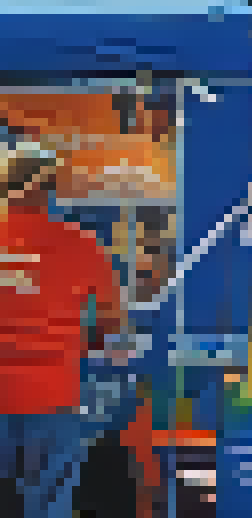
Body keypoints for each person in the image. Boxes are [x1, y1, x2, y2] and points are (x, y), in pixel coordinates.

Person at [0, 141, 129, 518]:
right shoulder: (83, 245)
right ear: (50, 188)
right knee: (48, 501)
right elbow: (111, 323)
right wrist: (78, 346)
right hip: (53, 396)